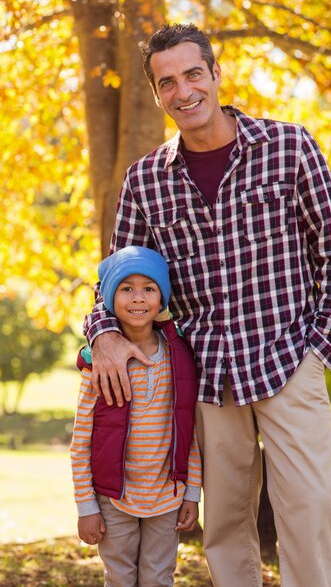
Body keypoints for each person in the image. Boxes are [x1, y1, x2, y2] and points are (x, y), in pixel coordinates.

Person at [83, 24, 331, 587]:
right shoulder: (145, 182)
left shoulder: (289, 146)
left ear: (215, 74)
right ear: (158, 94)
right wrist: (103, 333)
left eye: (191, 75)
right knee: (225, 524)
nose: (183, 91)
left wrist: (319, 353)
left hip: (289, 362)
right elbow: (115, 280)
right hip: (208, 374)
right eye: (167, 82)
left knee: (306, 511)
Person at [71, 245, 202, 587]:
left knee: (159, 578)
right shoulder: (100, 365)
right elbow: (80, 441)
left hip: (167, 496)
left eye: (149, 288)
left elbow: (189, 433)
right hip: (113, 498)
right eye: (126, 289)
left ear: (162, 299)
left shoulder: (181, 358)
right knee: (120, 578)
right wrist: (86, 506)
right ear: (111, 300)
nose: (138, 297)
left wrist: (192, 493)